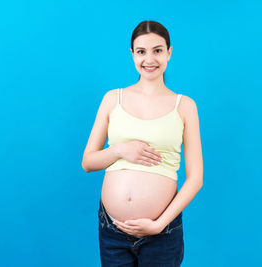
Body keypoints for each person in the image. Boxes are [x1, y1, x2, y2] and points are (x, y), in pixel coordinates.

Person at [82, 20, 203, 267]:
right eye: (141, 51)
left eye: (157, 50)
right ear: (132, 54)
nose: (149, 59)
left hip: (162, 231)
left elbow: (195, 179)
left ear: (169, 52)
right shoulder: (112, 99)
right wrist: (120, 149)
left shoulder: (185, 106)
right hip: (113, 230)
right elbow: (88, 162)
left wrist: (159, 224)